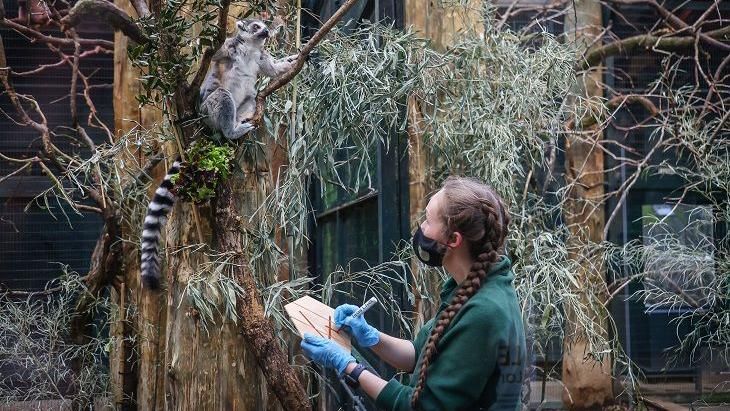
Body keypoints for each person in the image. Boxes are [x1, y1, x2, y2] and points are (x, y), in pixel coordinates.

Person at [301, 176, 526, 410]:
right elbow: (419, 354)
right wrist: (370, 336)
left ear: (453, 239)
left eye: (428, 220)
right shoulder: (467, 286)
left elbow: (423, 407)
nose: (421, 228)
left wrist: (349, 366)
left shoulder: (484, 312)